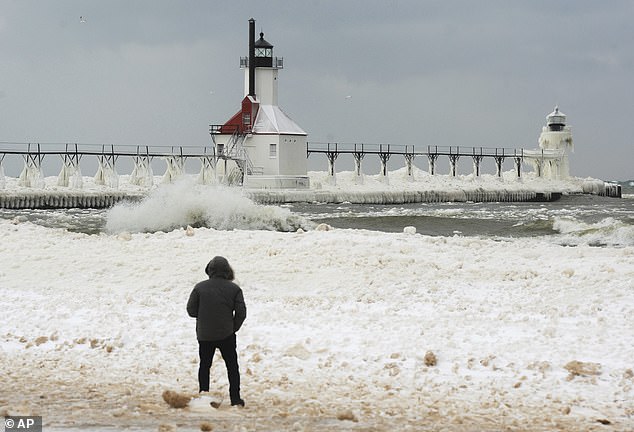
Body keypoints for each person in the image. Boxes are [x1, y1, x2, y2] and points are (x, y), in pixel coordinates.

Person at [187, 256, 247, 406]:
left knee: (205, 365)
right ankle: (235, 399)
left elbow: (191, 310)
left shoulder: (199, 287)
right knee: (232, 366)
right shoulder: (234, 289)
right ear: (227, 271)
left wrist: (205, 315)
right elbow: (241, 313)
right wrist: (233, 328)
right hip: (226, 334)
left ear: (209, 270)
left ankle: (204, 396)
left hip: (205, 334)